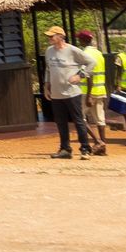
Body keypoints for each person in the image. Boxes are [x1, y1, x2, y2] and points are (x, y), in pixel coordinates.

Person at [43, 27, 94, 159]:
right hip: (56, 94)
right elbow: (48, 69)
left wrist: (80, 75)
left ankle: (85, 149)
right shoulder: (49, 51)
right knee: (60, 122)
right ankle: (65, 149)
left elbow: (91, 62)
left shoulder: (72, 50)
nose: (49, 38)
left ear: (60, 36)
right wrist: (46, 85)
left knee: (78, 121)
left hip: (72, 93)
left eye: (52, 36)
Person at [76, 30, 109, 154]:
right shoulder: (99, 53)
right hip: (100, 90)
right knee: (100, 119)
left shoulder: (84, 54)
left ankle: (97, 142)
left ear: (84, 40)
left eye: (80, 39)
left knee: (79, 118)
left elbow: (88, 74)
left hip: (87, 91)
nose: (79, 41)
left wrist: (89, 94)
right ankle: (103, 147)